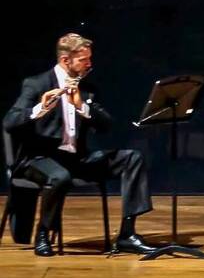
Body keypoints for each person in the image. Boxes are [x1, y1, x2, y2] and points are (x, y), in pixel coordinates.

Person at [3, 33, 158, 256]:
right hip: (39, 159)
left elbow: (107, 125)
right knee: (59, 176)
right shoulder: (37, 84)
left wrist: (82, 107)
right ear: (66, 60)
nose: (89, 64)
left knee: (132, 158)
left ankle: (127, 234)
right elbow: (10, 122)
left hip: (76, 158)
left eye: (89, 59)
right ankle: (44, 233)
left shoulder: (87, 89)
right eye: (83, 59)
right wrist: (40, 109)